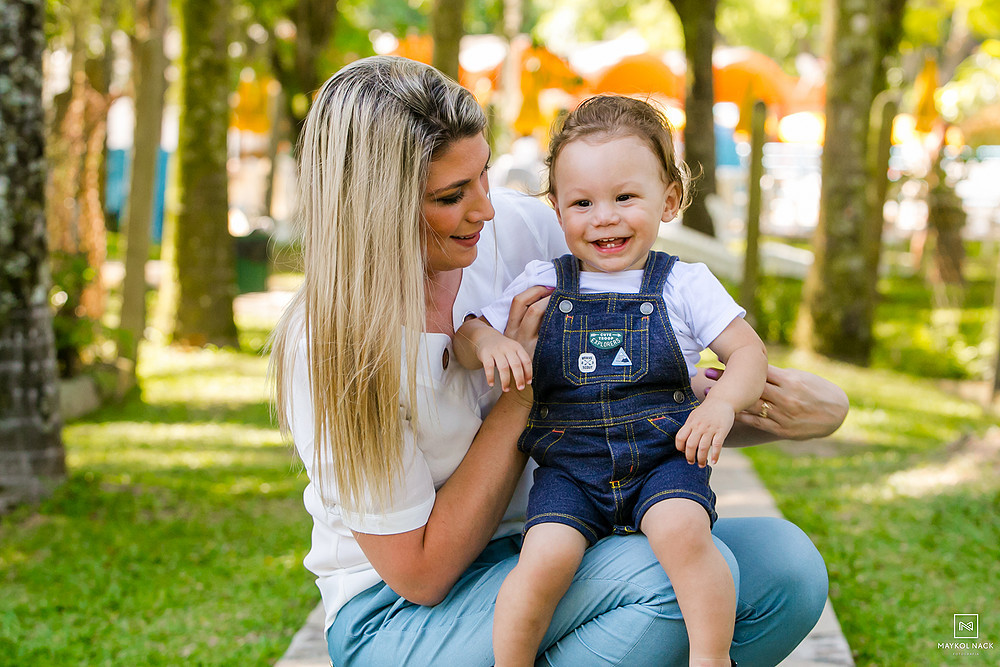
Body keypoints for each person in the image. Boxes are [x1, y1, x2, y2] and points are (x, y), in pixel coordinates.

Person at [268, 55, 849, 667]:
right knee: (666, 581)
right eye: (450, 196)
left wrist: (793, 412)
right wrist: (524, 395)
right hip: (400, 617)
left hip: (552, 540)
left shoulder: (520, 234)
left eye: (484, 174)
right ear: (376, 212)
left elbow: (623, 391)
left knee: (786, 568)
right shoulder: (332, 346)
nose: (486, 210)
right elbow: (421, 573)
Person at [454, 95, 766, 667]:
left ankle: (711, 658)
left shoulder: (684, 284)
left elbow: (749, 353)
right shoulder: (544, 279)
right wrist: (492, 342)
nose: (604, 216)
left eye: (625, 197)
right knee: (543, 558)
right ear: (556, 208)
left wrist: (719, 406)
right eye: (582, 202)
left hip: (662, 455)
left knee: (683, 533)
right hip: (569, 466)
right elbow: (467, 335)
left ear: (669, 199)